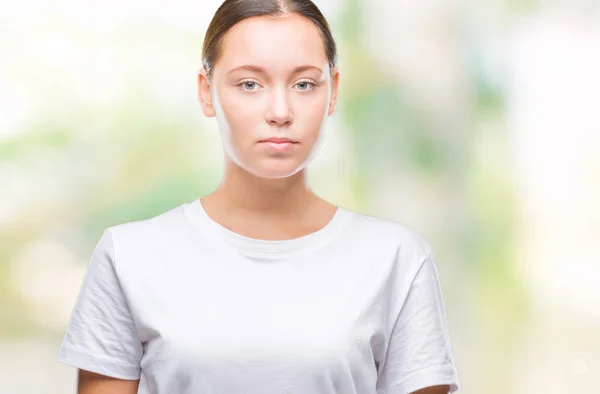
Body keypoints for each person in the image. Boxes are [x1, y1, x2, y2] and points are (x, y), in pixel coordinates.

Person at [56, 1, 461, 393]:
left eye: (304, 84)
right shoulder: (129, 256)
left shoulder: (396, 259)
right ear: (205, 91)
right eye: (249, 84)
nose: (280, 111)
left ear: (332, 91)